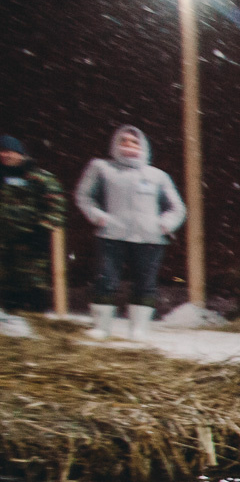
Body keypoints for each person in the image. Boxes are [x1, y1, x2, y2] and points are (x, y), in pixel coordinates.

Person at [73, 126, 187, 341]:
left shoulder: (157, 176)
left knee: (145, 282)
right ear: (115, 144)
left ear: (143, 145)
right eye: (123, 141)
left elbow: (177, 208)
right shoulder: (102, 168)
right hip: (112, 234)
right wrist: (98, 216)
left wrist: (164, 224)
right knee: (106, 280)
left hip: (150, 238)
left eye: (134, 142)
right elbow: (83, 195)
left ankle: (139, 329)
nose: (128, 146)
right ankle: (101, 327)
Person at [0, 136, 66, 316]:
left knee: (33, 285)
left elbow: (56, 208)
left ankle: (37, 322)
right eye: (2, 151)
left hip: (31, 246)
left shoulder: (40, 178)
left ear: (20, 153)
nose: (5, 155)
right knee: (7, 288)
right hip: (4, 246)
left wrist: (42, 230)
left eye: (10, 151)